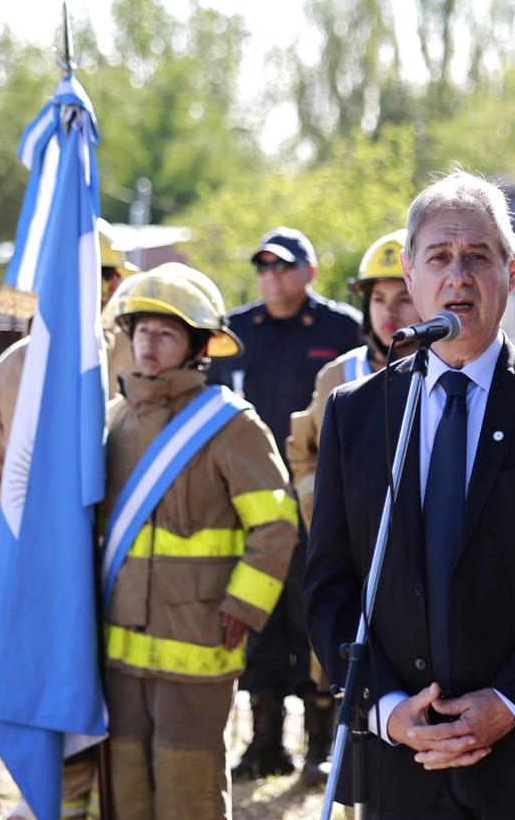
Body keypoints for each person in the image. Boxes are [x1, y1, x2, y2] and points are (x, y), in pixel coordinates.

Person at [304, 170, 515, 818]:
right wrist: (387, 710)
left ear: (512, 272)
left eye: (477, 257)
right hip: (405, 762)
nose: (458, 276)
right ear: (409, 273)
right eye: (439, 257)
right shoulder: (357, 413)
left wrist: (508, 704)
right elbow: (330, 585)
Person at [100, 263, 297, 818]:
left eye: (165, 333)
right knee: (125, 784)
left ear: (196, 347)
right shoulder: (115, 420)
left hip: (200, 640)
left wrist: (245, 604)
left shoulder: (230, 425)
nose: (149, 345)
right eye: (141, 331)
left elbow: (276, 523)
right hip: (119, 645)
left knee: (188, 786)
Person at [0, 230, 136, 820]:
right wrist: (0, 560)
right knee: (47, 684)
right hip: (36, 568)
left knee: (112, 693)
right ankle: (56, 797)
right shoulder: (16, 366)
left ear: (112, 284)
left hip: (117, 564)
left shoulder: (133, 353)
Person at [206, 226, 362, 781]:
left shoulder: (342, 328)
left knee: (313, 619)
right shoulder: (236, 331)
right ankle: (264, 742)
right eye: (264, 268)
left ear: (310, 272)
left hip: (316, 504)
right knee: (260, 623)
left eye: (284, 267)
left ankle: (320, 744)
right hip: (250, 507)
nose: (272, 277)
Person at [288, 228, 421, 530]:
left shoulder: (450, 374)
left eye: (404, 299)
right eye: (378, 299)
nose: (388, 311)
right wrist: (319, 512)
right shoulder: (338, 376)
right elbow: (304, 453)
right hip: (353, 550)